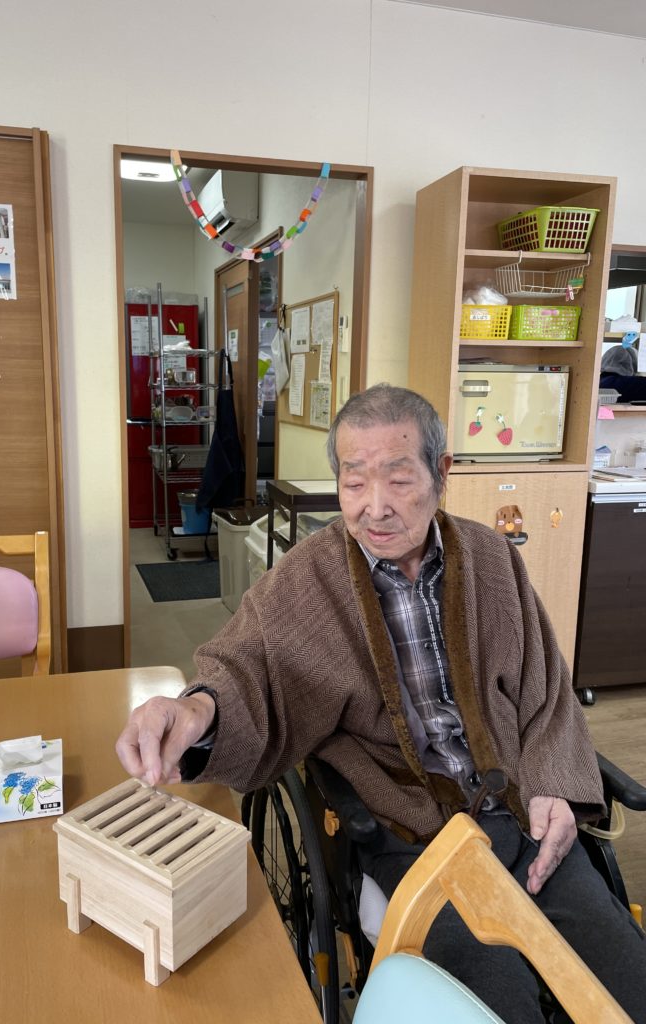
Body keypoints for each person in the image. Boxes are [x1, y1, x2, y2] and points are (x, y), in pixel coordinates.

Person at [117, 384, 646, 1023]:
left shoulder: (491, 560)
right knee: (493, 1003)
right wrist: (196, 711)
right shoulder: (307, 581)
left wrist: (554, 785)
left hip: (521, 813)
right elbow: (245, 669)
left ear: (440, 473)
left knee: (625, 982)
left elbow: (546, 690)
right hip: (414, 836)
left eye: (398, 479)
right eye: (354, 483)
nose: (375, 507)